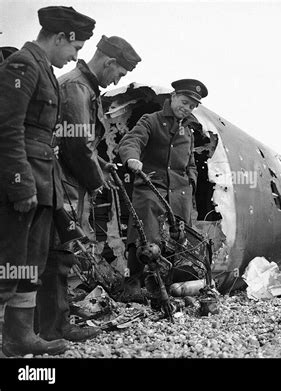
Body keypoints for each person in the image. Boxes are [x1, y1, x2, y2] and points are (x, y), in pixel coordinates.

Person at [0, 6, 95, 356]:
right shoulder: (22, 66)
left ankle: (18, 336)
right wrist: (19, 182)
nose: (74, 56)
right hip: (22, 181)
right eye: (76, 48)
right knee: (8, 261)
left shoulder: (45, 71)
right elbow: (7, 130)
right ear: (60, 38)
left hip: (42, 182)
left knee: (31, 261)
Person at [36, 35, 141, 342]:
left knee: (58, 253)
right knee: (58, 253)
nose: (117, 80)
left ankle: (48, 322)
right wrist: (97, 180)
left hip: (66, 182)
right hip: (62, 183)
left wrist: (101, 164)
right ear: (109, 62)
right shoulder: (77, 87)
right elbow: (77, 145)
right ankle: (54, 327)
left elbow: (85, 145)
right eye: (119, 73)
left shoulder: (83, 87)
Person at [118, 79, 207, 300]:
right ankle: (133, 285)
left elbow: (191, 164)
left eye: (191, 106)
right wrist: (132, 159)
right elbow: (132, 141)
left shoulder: (188, 131)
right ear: (173, 96)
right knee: (143, 237)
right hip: (151, 188)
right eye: (184, 102)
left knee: (176, 242)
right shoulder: (151, 120)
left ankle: (163, 286)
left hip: (179, 195)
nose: (186, 108)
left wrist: (191, 182)